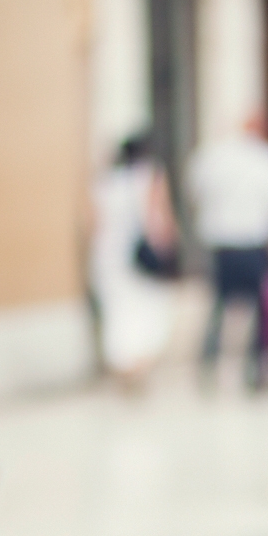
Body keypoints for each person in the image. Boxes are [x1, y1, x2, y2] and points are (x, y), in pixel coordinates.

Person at [187, 113, 268, 388]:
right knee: (260, 309)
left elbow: (195, 193)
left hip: (221, 243)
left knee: (218, 307)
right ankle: (256, 370)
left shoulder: (214, 156)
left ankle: (208, 366)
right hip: (255, 243)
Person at [89, 135, 179, 391]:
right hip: (138, 255)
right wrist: (169, 249)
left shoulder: (104, 183)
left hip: (106, 256)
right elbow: (159, 219)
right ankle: (139, 363)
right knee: (148, 308)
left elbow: (94, 225)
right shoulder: (149, 177)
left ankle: (124, 364)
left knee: (118, 312)